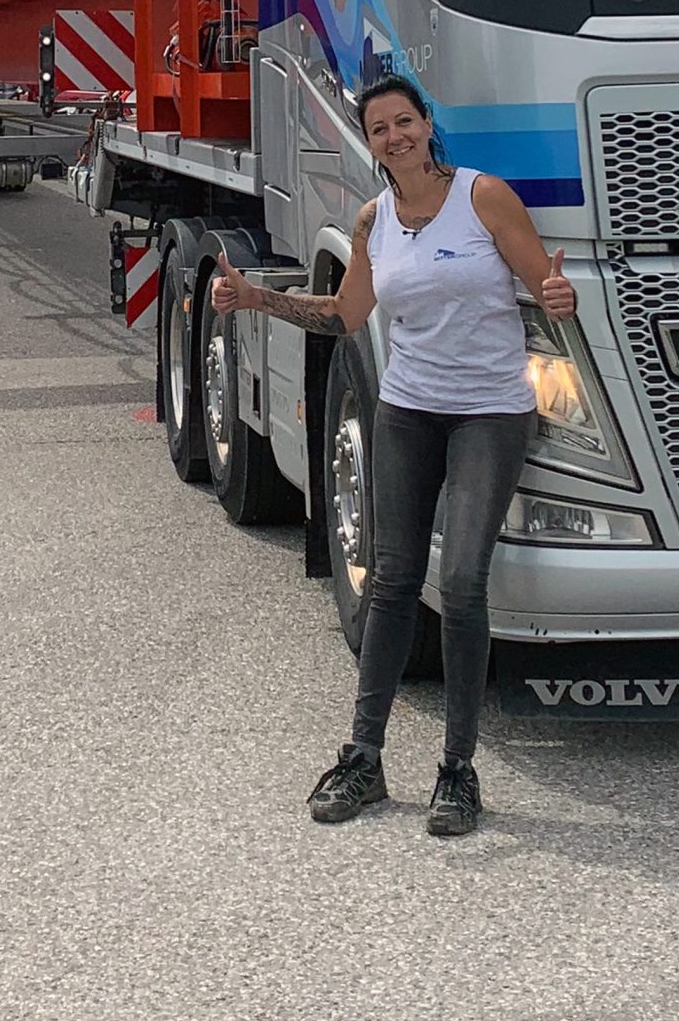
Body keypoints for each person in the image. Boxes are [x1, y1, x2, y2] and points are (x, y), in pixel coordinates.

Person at [211, 73, 577, 838]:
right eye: (379, 129)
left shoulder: (484, 198)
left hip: (488, 414)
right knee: (392, 580)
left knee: (464, 580)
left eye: (404, 122)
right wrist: (255, 299)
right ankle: (363, 758)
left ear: (426, 124)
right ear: (370, 143)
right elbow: (347, 315)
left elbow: (542, 280)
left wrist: (558, 295)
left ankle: (458, 771)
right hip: (408, 411)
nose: (395, 137)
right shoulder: (374, 219)